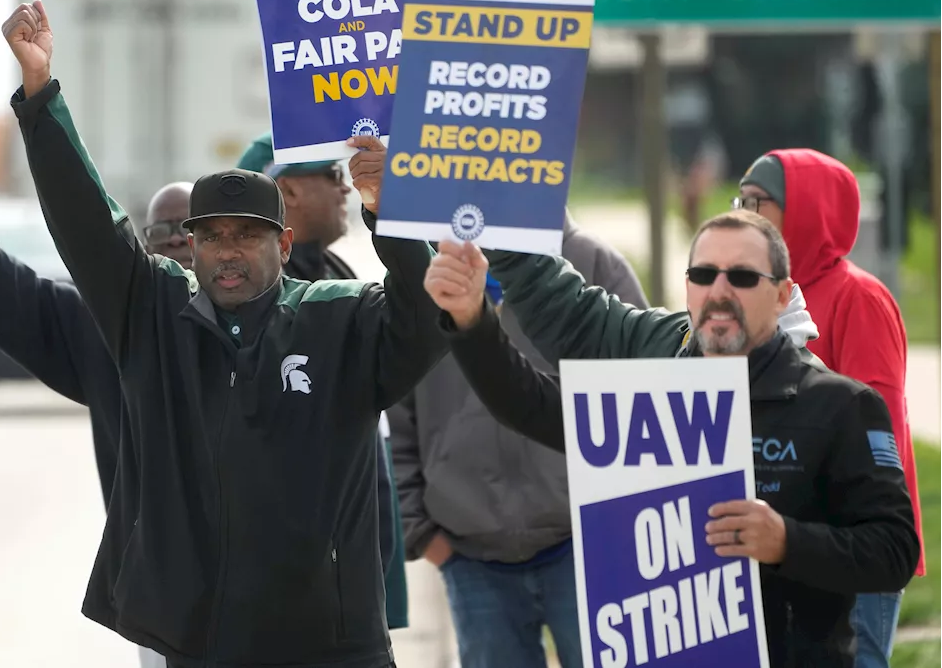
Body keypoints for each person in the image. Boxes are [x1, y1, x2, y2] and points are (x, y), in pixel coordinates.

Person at [2, 0, 446, 667]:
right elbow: (91, 224)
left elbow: (426, 320)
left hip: (331, 648)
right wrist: (41, 96)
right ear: (192, 243)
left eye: (246, 235)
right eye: (211, 237)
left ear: (284, 240)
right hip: (198, 646)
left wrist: (392, 212)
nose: (227, 252)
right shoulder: (155, 315)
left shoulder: (339, 318)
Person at [424, 210, 919, 668]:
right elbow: (529, 405)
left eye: (743, 277)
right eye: (703, 275)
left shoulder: (839, 405)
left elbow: (894, 551)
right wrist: (471, 324)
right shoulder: (651, 393)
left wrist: (786, 541)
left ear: (784, 293)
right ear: (687, 288)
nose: (719, 292)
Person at [0, 160, 191, 668]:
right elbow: (9, 291)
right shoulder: (107, 335)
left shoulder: (268, 326)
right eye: (164, 231)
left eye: (192, 228)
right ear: (143, 249)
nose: (180, 241)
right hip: (168, 605)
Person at [387, 211, 647, 668]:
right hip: (471, 556)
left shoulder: (592, 260)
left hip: (587, 546)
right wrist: (424, 535)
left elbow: (641, 398)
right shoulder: (426, 269)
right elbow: (394, 413)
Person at [737, 149, 925, 667]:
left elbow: (872, 423)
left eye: (759, 202)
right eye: (740, 199)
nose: (744, 213)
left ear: (808, 210)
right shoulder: (760, 295)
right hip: (787, 542)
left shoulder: (858, 297)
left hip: (850, 544)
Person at [237, 131, 410, 630]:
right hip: (304, 607)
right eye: (334, 176)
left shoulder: (333, 271)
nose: (345, 190)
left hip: (353, 593)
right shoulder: (253, 301)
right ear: (287, 192)